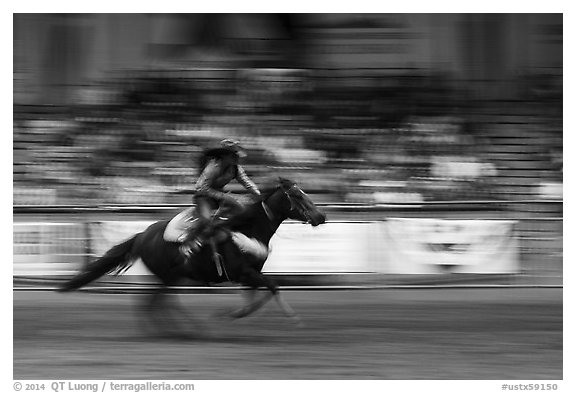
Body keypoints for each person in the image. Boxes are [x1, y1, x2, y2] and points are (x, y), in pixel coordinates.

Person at [180, 139, 261, 262]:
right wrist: (222, 196)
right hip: (203, 197)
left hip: (219, 196)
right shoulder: (213, 166)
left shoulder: (235, 168)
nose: (237, 158)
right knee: (206, 219)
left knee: (242, 210)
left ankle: (228, 237)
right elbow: (201, 187)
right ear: (225, 156)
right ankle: (187, 243)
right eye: (234, 155)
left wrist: (258, 194)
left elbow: (246, 182)